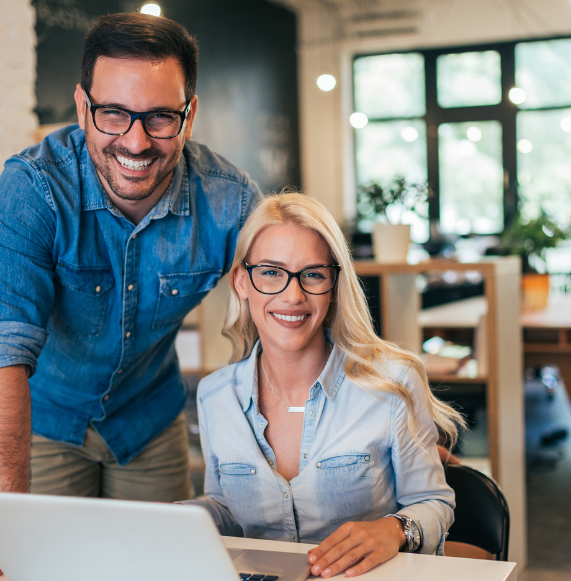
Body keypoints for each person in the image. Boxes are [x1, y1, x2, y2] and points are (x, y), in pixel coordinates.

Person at [0, 13, 260, 581]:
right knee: (43, 571)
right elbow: (1, 351)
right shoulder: (32, 189)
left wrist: (389, 419)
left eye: (160, 117)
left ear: (189, 114)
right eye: (113, 114)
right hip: (45, 421)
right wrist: (6, 525)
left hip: (149, 420)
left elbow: (298, 312)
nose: (136, 142)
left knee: (163, 573)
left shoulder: (229, 201)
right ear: (83, 107)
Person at [183, 192, 466, 578]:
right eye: (271, 272)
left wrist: (393, 530)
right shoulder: (215, 396)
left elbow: (434, 501)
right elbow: (227, 512)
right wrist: (181, 517)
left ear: (333, 286)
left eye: (313, 274)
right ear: (241, 282)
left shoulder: (392, 383)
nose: (293, 295)